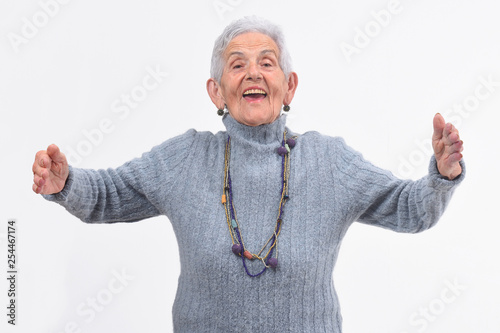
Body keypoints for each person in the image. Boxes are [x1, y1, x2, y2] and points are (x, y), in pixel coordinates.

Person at [32, 16, 464, 333]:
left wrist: (441, 175)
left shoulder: (330, 161)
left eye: (267, 63)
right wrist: (66, 183)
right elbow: (110, 193)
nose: (253, 72)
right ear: (216, 90)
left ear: (289, 86)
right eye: (237, 64)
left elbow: (411, 209)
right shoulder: (186, 157)